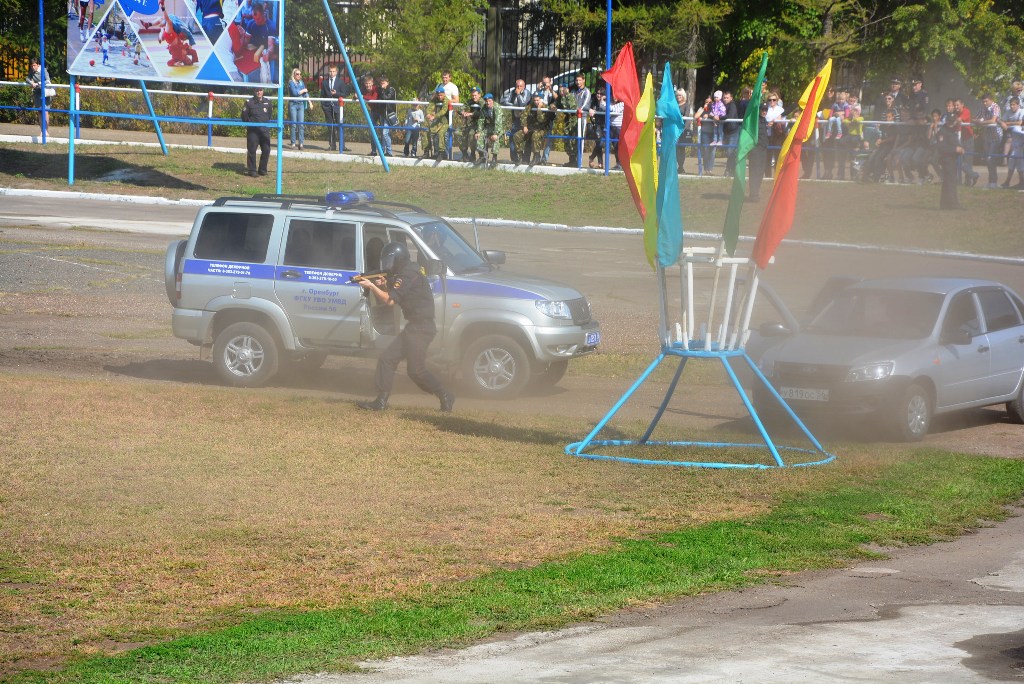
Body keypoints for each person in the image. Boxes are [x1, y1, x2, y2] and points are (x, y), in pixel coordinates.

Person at [356, 242, 454, 413]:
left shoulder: (407, 275)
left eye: (390, 260)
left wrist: (371, 286)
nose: (388, 264)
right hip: (415, 327)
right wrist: (384, 284)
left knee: (416, 370)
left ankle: (445, 395)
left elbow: (390, 301)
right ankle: (381, 402)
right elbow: (397, 296)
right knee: (387, 359)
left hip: (421, 328)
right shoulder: (406, 272)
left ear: (398, 259)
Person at [513, 92, 556, 165]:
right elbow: (524, 115)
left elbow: (541, 119)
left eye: (537, 100)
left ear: (541, 100)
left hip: (541, 129)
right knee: (516, 136)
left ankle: (536, 157)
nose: (536, 102)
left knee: (535, 136)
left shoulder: (545, 107)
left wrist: (539, 109)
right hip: (531, 128)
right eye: (535, 100)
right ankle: (520, 157)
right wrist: (524, 126)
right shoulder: (530, 105)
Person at [933, 114, 964, 209]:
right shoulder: (943, 131)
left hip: (952, 159)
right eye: (950, 121)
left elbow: (955, 142)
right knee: (950, 182)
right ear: (947, 121)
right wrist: (955, 149)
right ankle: (953, 204)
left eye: (953, 121)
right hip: (946, 160)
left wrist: (960, 148)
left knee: (949, 182)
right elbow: (942, 147)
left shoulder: (952, 130)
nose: (952, 123)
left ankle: (945, 204)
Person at [240, 85, 272, 176]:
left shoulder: (268, 102)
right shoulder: (249, 102)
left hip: (264, 130)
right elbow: (244, 116)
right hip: (253, 131)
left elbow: (269, 115)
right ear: (254, 91)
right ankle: (252, 170)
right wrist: (250, 124)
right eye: (257, 90)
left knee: (266, 150)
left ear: (263, 91)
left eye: (261, 90)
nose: (259, 92)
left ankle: (262, 169)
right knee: (252, 150)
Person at [974, 93, 1002, 189]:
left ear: (991, 100)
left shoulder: (996, 107)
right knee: (987, 159)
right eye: (983, 101)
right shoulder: (983, 108)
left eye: (986, 101)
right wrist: (977, 121)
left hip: (995, 137)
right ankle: (991, 182)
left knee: (991, 158)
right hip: (986, 137)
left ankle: (994, 181)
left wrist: (981, 122)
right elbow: (975, 118)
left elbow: (993, 120)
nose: (985, 103)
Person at [501, 78, 531, 163]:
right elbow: (504, 101)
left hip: (526, 120)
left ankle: (526, 159)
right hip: (516, 119)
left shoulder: (527, 93)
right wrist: (514, 104)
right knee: (512, 138)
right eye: (517, 86)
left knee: (527, 139)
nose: (518, 88)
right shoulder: (512, 92)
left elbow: (523, 104)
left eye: (520, 86)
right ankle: (515, 159)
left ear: (524, 86)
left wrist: (518, 95)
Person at [475, 92, 507, 167]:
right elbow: (481, 120)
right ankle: (482, 156)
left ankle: (494, 159)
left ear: (492, 101)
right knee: (479, 136)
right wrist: (478, 132)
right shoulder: (484, 108)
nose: (488, 103)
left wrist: (496, 134)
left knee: (496, 139)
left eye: (489, 101)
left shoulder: (497, 108)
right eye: (486, 101)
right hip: (490, 127)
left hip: (499, 128)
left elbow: (498, 122)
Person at [998, 97, 1023, 188]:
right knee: (1012, 162)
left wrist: (1007, 124)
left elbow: (1020, 123)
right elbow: (1001, 121)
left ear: (1018, 105)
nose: (1012, 106)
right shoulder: (1008, 112)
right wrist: (1002, 123)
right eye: (1011, 105)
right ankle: (1007, 182)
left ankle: (1022, 183)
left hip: (1021, 141)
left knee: (1020, 164)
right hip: (1015, 141)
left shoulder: (1021, 111)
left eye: (1014, 105)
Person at [954, 98, 979, 186]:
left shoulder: (966, 111)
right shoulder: (955, 113)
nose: (956, 107)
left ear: (962, 104)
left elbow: (959, 120)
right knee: (958, 161)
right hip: (960, 139)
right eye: (955, 105)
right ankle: (973, 175)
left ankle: (968, 181)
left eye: (957, 105)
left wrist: (953, 121)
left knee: (968, 161)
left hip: (968, 139)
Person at [320, 66, 344, 151]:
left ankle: (342, 146)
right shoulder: (324, 82)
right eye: (330, 71)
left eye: (333, 71)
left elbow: (344, 93)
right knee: (330, 127)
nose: (331, 73)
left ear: (336, 72)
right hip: (327, 107)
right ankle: (332, 145)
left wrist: (336, 94)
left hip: (337, 106)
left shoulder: (340, 82)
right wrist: (323, 105)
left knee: (340, 126)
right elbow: (322, 95)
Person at [424, 85, 451, 161]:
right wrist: (428, 114)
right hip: (437, 122)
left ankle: (441, 153)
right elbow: (430, 107)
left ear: (444, 94)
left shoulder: (446, 100)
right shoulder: (434, 99)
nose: (439, 97)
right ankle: (426, 151)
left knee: (441, 133)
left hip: (445, 122)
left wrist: (434, 116)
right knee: (426, 131)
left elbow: (443, 111)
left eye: (441, 95)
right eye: (438, 95)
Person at [458, 86, 483, 163]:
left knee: (472, 134)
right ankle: (464, 154)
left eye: (475, 95)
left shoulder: (482, 102)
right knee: (458, 133)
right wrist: (463, 112)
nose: (474, 97)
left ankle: (473, 154)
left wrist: (471, 114)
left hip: (479, 124)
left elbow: (482, 113)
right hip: (469, 124)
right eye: (472, 95)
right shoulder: (469, 101)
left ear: (479, 95)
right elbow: (460, 108)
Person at [374, 74, 397, 156]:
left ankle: (389, 151)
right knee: (383, 133)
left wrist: (382, 91)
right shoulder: (380, 90)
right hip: (382, 113)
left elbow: (386, 98)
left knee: (385, 133)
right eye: (381, 83)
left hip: (389, 114)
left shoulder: (391, 89)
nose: (381, 85)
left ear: (387, 83)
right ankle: (383, 151)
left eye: (383, 83)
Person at [27, 57, 51, 133]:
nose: (33, 67)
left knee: (45, 111)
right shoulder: (32, 71)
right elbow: (27, 78)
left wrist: (38, 84)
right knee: (40, 111)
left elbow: (48, 81)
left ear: (38, 65)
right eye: (32, 66)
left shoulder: (43, 70)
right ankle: (42, 131)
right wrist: (31, 83)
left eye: (34, 65)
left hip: (45, 92)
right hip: (37, 93)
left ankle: (46, 131)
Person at [286, 67, 308, 149]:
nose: (299, 75)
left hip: (301, 104)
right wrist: (303, 91)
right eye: (297, 74)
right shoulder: (291, 83)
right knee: (294, 124)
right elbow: (295, 93)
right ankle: (293, 143)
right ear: (294, 75)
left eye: (300, 74)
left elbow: (306, 93)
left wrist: (309, 101)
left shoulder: (301, 82)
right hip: (293, 104)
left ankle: (301, 143)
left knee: (301, 125)